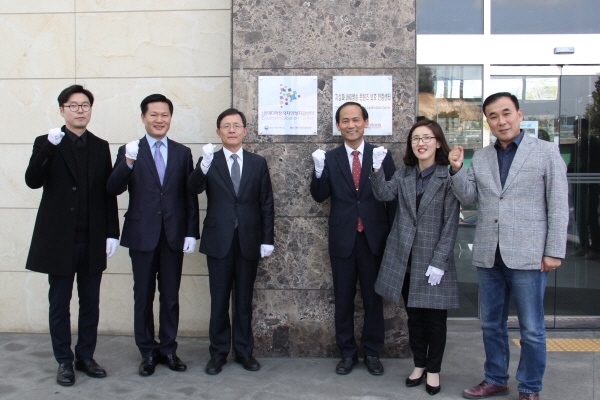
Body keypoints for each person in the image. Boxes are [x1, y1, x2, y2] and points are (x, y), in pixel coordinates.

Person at [449, 92, 568, 400]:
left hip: (529, 253)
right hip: (490, 253)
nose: (500, 121)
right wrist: (457, 170)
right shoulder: (484, 156)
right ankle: (495, 378)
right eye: (493, 116)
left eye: (506, 113)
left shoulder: (545, 152)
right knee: (491, 324)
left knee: (531, 328)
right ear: (487, 121)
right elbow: (470, 199)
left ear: (519, 114)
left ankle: (530, 387)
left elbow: (557, 204)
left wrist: (554, 251)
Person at [25, 84, 120, 386]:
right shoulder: (46, 141)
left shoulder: (100, 145)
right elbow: (32, 180)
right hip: (58, 240)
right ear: (62, 109)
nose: (80, 111)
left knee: (90, 301)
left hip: (91, 239)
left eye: (85, 106)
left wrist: (111, 233)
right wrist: (49, 148)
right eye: (73, 105)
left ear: (91, 110)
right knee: (59, 303)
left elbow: (107, 193)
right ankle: (64, 361)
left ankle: (86, 356)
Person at [106, 94, 199, 377]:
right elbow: (112, 188)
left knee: (170, 296)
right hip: (142, 234)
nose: (159, 120)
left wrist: (191, 232)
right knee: (143, 296)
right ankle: (147, 351)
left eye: (165, 115)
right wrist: (128, 162)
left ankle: (169, 349)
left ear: (171, 117)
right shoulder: (129, 149)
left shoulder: (183, 153)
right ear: (143, 117)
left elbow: (189, 196)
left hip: (173, 235)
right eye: (153, 114)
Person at [371, 119, 460, 396]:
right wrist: (375, 168)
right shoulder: (404, 174)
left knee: (435, 321)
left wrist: (440, 261)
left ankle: (434, 370)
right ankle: (419, 365)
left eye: (427, 138)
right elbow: (383, 193)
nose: (421, 143)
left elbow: (450, 224)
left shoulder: (448, 176)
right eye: (415, 139)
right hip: (405, 258)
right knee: (415, 318)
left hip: (434, 260)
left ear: (438, 142)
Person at [310, 101, 396, 376]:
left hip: (374, 239)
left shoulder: (381, 155)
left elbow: (392, 198)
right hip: (343, 238)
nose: (351, 125)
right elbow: (319, 195)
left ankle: (372, 352)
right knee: (343, 298)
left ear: (366, 122)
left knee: (373, 299)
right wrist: (319, 171)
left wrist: (394, 238)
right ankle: (346, 353)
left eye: (356, 119)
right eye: (345, 121)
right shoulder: (331, 157)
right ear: (338, 126)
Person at [188, 108, 274, 375]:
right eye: (226, 126)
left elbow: (266, 203)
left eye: (237, 125)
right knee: (219, 300)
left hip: (249, 239)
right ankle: (218, 354)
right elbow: (192, 189)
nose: (232, 130)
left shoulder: (257, 163)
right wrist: (202, 166)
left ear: (245, 131)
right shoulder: (208, 161)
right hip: (219, 239)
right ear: (218, 132)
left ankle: (244, 352)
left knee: (244, 301)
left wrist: (267, 239)